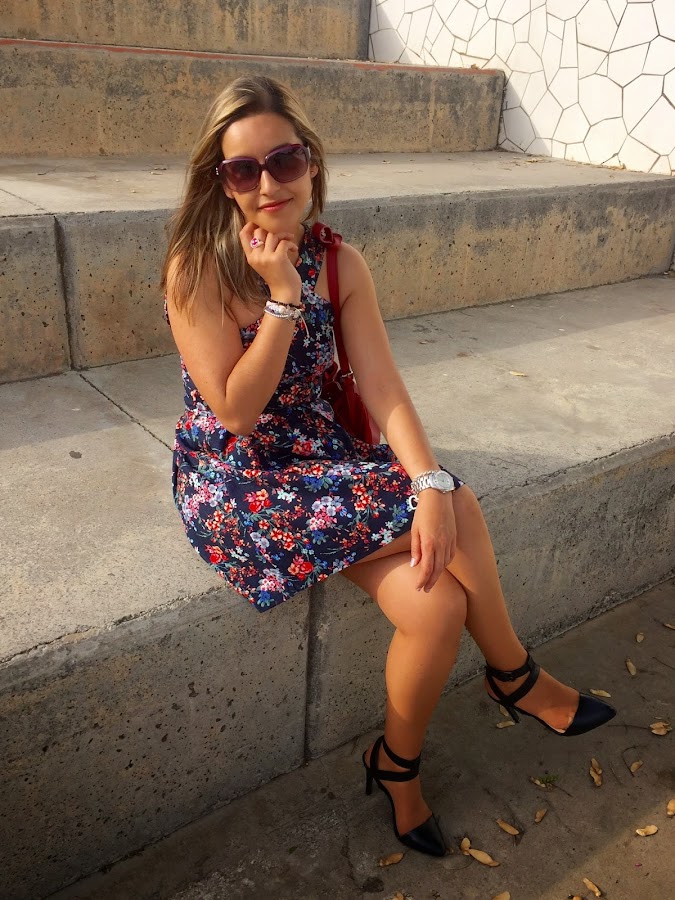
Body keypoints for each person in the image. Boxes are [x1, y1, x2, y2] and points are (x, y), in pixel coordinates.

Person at [161, 75, 615, 858]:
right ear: (220, 182)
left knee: (436, 607)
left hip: (324, 461)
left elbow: (380, 383)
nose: (268, 184)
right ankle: (514, 677)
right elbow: (235, 411)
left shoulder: (339, 261)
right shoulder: (197, 268)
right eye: (243, 170)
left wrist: (426, 480)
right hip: (241, 482)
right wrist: (281, 297)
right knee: (455, 504)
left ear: (311, 161)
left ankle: (395, 766)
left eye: (284, 160)